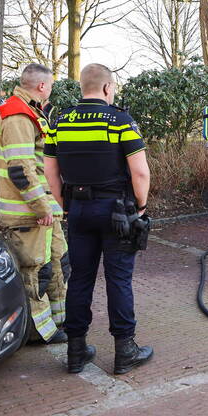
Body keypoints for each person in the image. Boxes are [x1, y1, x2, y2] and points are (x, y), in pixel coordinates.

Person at [43, 63, 154, 375]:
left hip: (78, 210)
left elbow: (50, 172)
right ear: (107, 88)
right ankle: (125, 351)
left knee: (80, 279)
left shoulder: (60, 122)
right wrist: (141, 208)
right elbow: (141, 172)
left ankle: (76, 351)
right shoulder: (120, 120)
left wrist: (66, 206)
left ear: (82, 88)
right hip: (117, 212)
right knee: (118, 280)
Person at [0, 64, 68, 344]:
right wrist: (42, 207)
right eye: (50, 86)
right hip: (30, 213)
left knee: (58, 262)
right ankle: (38, 332)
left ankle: (59, 320)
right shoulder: (17, 114)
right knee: (36, 271)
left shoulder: (32, 112)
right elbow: (20, 169)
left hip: (45, 210)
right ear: (41, 86)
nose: (50, 90)